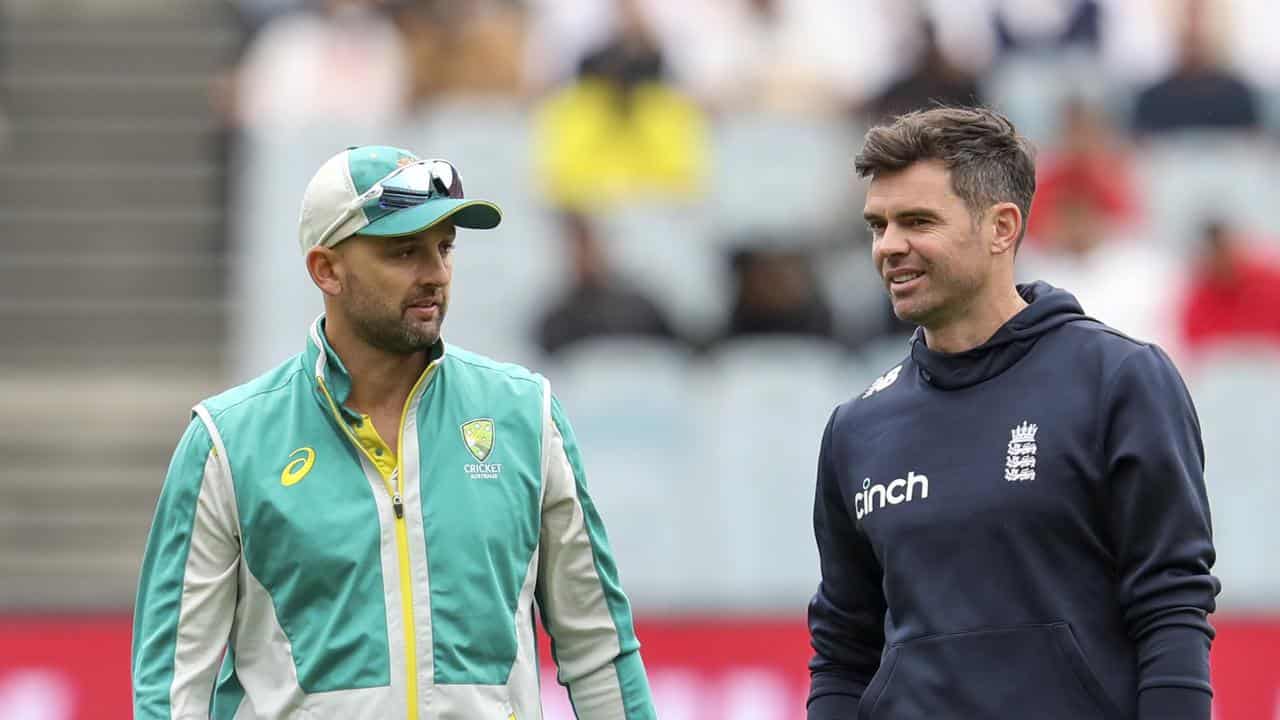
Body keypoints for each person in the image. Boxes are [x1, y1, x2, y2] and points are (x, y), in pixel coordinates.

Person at [132, 145, 657, 719]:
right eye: (404, 252)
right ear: (325, 269)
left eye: (444, 248)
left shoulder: (526, 416)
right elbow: (171, 688)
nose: (434, 274)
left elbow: (599, 649)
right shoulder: (227, 442)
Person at [807, 107, 1219, 720]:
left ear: (1002, 228)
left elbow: (1172, 609)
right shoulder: (856, 428)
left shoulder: (1119, 380)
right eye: (878, 225)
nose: (889, 246)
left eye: (917, 221)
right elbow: (843, 651)